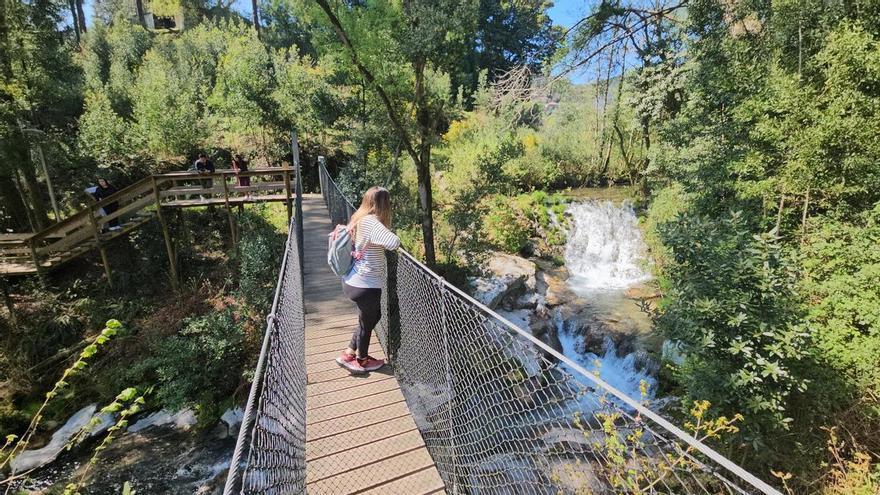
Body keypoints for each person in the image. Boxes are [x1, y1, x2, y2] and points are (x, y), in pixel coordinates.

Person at [335, 186, 400, 374]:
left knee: (373, 317)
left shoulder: (359, 217)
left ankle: (349, 352)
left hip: (354, 280)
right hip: (366, 284)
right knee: (366, 322)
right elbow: (393, 242)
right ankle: (361, 360)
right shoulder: (372, 222)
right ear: (382, 204)